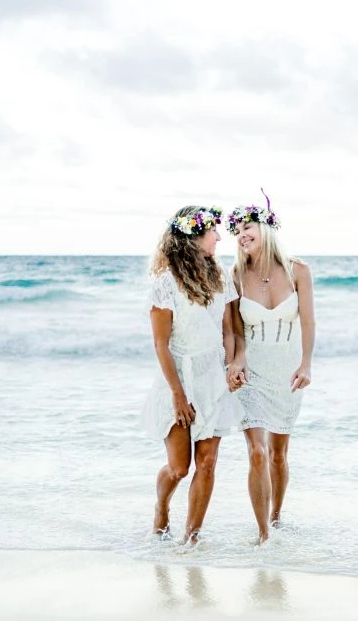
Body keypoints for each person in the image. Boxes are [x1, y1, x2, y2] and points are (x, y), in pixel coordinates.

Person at [140, 205, 244, 545]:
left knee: (208, 462)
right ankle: (161, 509)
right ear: (193, 236)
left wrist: (231, 366)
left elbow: (229, 330)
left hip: (212, 377)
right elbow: (161, 344)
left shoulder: (220, 277)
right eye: (212, 232)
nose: (218, 238)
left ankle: (192, 538)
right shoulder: (165, 283)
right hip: (178, 381)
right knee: (179, 468)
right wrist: (178, 395)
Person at [226, 195, 315, 544]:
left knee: (278, 455)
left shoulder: (298, 270)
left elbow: (308, 322)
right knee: (257, 452)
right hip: (253, 373)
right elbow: (235, 330)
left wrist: (306, 364)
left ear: (266, 228)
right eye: (236, 231)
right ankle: (263, 534)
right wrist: (236, 360)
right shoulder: (236, 275)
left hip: (287, 372)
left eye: (246, 227)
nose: (241, 235)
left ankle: (276, 518)